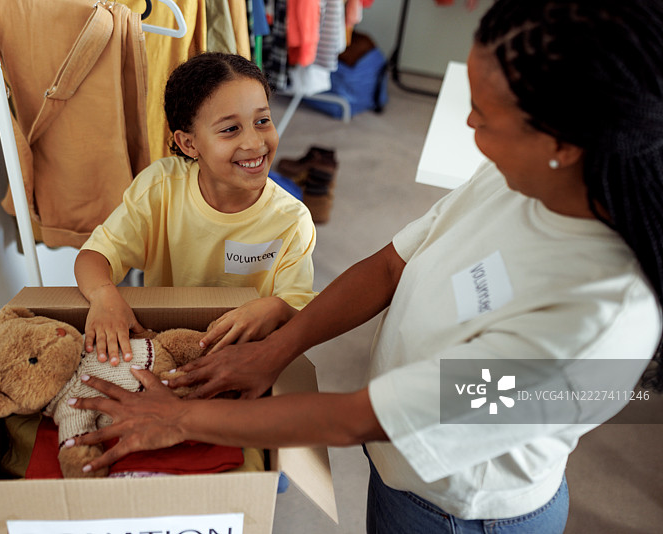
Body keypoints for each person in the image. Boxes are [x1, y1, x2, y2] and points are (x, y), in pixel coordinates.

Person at [66, 1, 663, 532]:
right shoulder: (516, 181)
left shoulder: (592, 323)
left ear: (563, 143)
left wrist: (181, 419)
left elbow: (359, 418)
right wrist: (275, 349)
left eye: (484, 114)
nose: (466, 124)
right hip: (398, 476)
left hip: (456, 510)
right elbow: (389, 266)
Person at [74, 52, 316, 366]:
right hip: (163, 347)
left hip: (243, 356)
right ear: (189, 144)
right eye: (230, 129)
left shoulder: (292, 222)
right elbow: (94, 256)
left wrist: (278, 308)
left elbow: (300, 311)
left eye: (262, 121)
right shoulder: (161, 187)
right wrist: (104, 295)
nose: (255, 143)